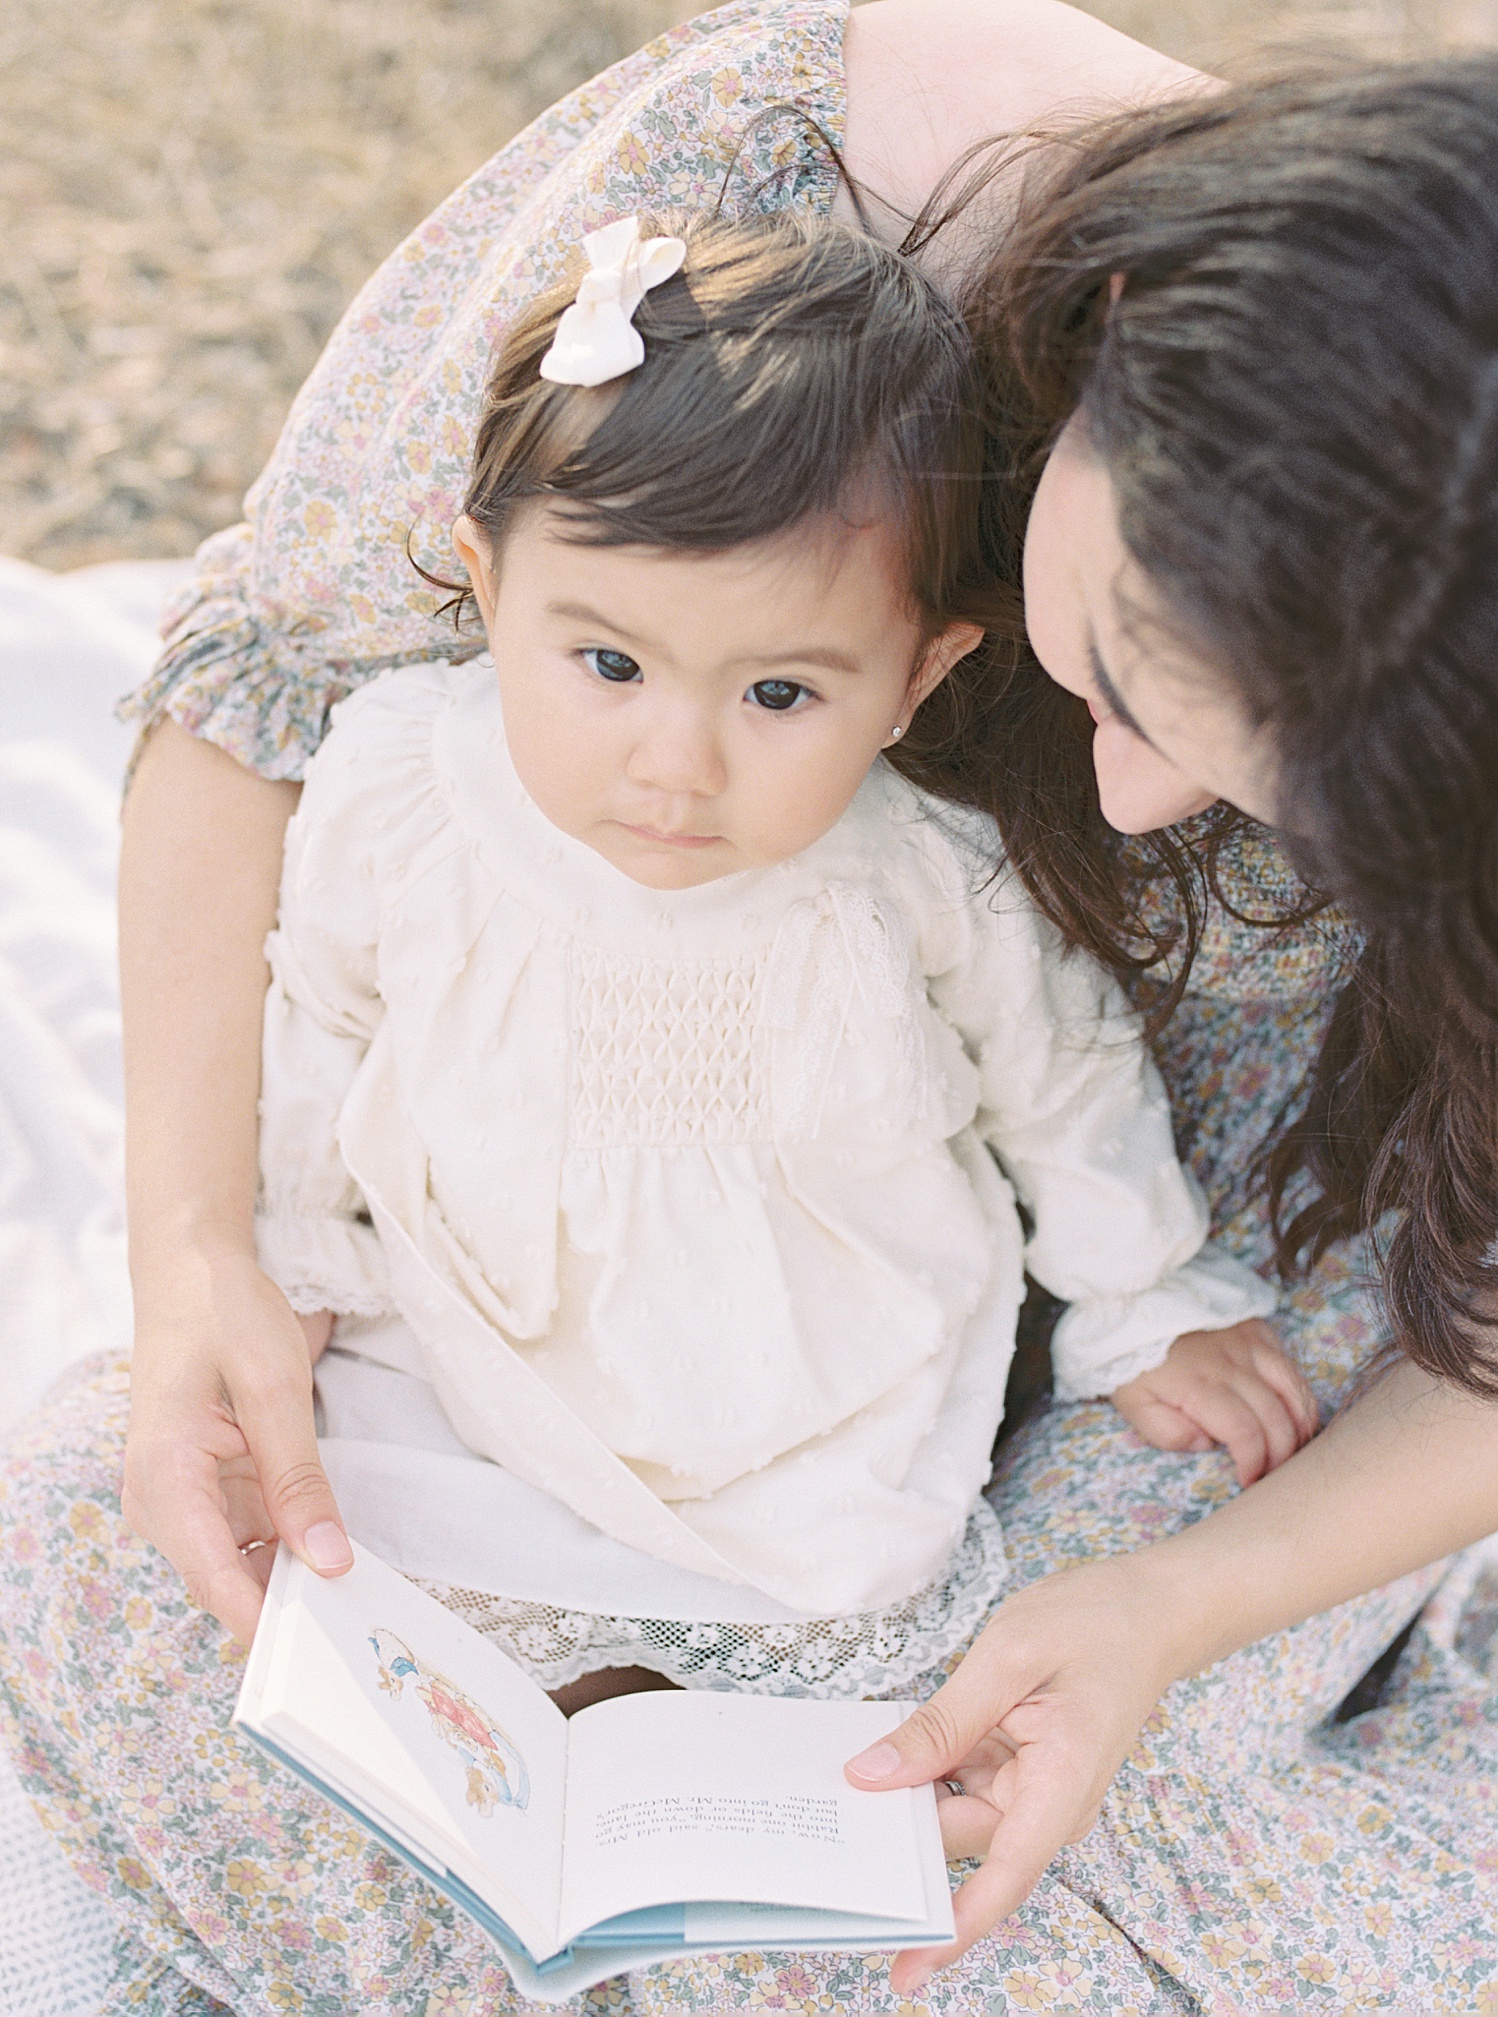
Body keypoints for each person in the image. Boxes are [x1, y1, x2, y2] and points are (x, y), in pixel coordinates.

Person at [0, 1, 1496, 2010]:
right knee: (116, 1540)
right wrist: (199, 1247)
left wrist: (1175, 1602)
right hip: (580, 1303)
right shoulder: (781, 183)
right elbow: (273, 674)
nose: (1135, 802)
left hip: (1230, 1331)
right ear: (1127, 329)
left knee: (920, 1903)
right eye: (1125, 680)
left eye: (1284, 802)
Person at [252, 203, 1294, 1701]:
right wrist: (296, 1238)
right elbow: (325, 1011)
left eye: (782, 695)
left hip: (806, 1365)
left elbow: (1059, 1074)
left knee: (831, 1604)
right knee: (343, 1529)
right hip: (469, 1309)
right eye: (607, 665)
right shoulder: (411, 787)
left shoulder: (917, 865)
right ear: (487, 591)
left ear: (919, 673)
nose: (677, 764)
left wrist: (1144, 1296)